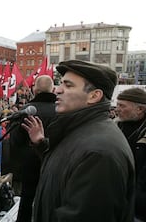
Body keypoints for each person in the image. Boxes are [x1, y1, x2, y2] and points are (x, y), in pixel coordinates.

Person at [22, 60, 135, 222]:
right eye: (60, 84)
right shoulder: (79, 130)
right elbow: (68, 166)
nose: (57, 90)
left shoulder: (99, 153)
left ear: (94, 96)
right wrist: (42, 145)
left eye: (68, 85)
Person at [9, 75, 56, 222]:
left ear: (34, 90)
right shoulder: (61, 111)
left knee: (27, 201)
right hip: (55, 165)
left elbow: (15, 142)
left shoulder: (25, 112)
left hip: (30, 167)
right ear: (53, 90)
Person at [115, 87, 146, 221]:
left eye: (122, 106)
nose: (117, 109)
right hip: (119, 195)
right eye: (117, 105)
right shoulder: (115, 126)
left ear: (140, 109)